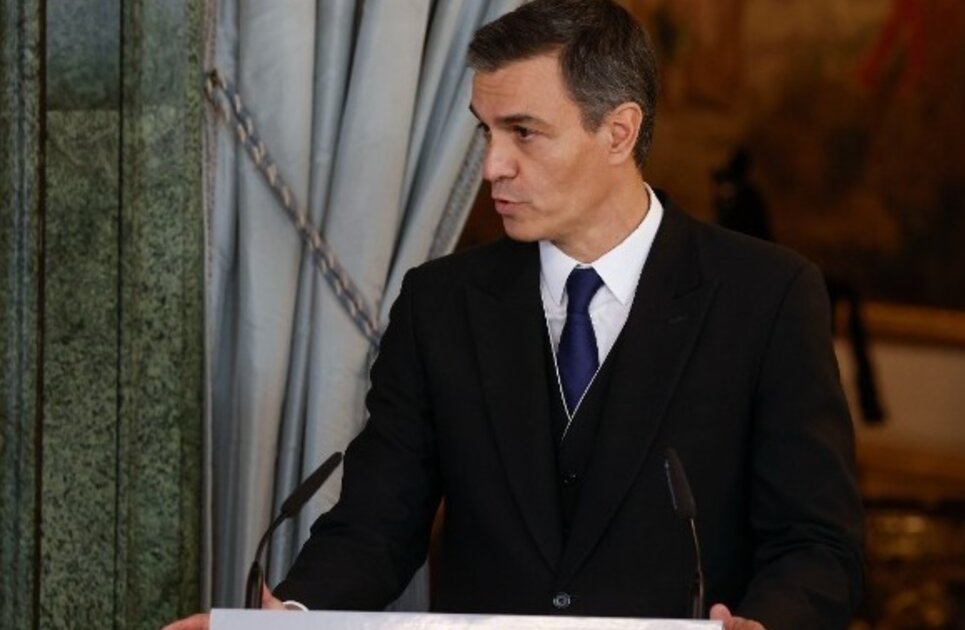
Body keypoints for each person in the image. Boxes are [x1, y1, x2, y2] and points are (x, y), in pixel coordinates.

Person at [167, 1, 863, 628]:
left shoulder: (768, 297)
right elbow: (377, 523)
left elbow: (816, 545)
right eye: (486, 132)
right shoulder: (440, 304)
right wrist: (290, 618)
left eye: (523, 132)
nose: (492, 165)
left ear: (618, 132)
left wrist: (766, 623)